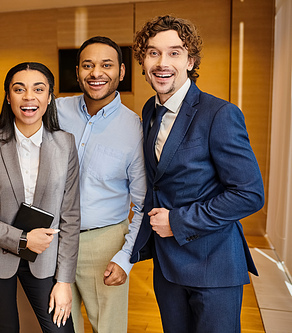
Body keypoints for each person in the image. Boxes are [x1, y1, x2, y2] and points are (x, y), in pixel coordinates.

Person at [130, 15, 265, 333]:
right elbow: (158, 184)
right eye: (153, 52)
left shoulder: (219, 113)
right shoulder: (150, 110)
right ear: (143, 61)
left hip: (212, 265)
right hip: (167, 266)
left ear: (190, 61)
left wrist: (176, 222)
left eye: (174, 52)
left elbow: (249, 194)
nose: (162, 63)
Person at [0, 62, 80, 333]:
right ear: (8, 96)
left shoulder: (65, 144)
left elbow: (71, 218)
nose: (29, 97)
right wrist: (22, 240)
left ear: (50, 96)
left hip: (46, 261)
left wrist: (64, 281)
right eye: (19, 89)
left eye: (38, 89)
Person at [56, 36, 146, 333]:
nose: (96, 73)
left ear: (121, 72)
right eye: (88, 65)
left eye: (106, 65)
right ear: (78, 71)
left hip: (104, 242)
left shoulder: (135, 129)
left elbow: (144, 204)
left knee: (108, 328)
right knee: (59, 325)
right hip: (53, 239)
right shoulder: (54, 111)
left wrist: (126, 258)